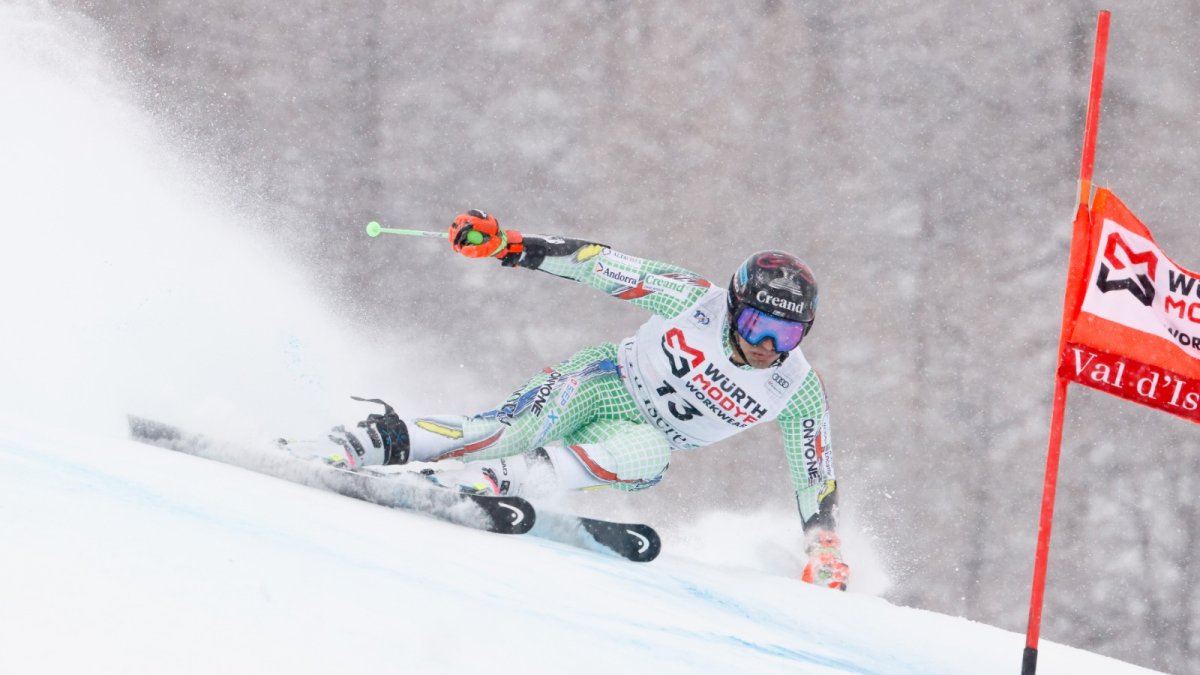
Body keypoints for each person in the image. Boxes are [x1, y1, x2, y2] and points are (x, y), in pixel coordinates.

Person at [327, 210, 848, 590]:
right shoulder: (693, 298)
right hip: (603, 380)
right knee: (509, 432)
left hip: (633, 437)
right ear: (734, 307)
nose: (765, 347)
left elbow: (814, 475)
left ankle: (485, 483)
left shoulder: (797, 390)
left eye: (786, 335)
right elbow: (596, 263)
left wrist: (823, 550)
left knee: (651, 455)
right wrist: (509, 245)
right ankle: (371, 441)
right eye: (758, 325)